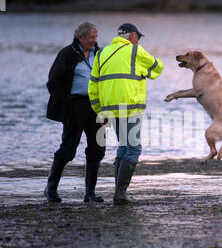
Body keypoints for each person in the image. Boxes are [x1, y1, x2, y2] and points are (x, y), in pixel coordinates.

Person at [88, 23, 163, 205]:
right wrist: (142, 71)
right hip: (130, 107)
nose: (139, 40)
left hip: (109, 109)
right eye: (138, 37)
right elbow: (158, 68)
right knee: (134, 147)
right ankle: (120, 193)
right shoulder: (135, 51)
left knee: (124, 145)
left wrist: (100, 111)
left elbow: (93, 86)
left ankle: (119, 192)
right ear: (131, 36)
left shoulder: (101, 53)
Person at [45, 22, 106, 203]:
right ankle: (51, 189)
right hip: (74, 106)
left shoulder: (101, 54)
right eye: (91, 38)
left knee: (97, 149)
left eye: (96, 37)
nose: (94, 41)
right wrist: (65, 104)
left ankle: (90, 192)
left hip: (97, 107)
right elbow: (53, 82)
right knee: (68, 149)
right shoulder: (67, 54)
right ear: (80, 37)